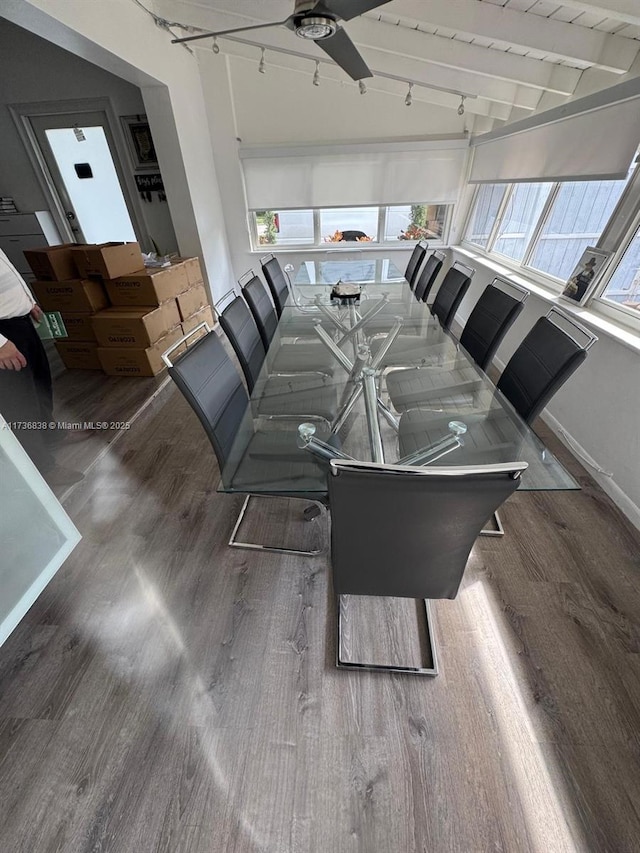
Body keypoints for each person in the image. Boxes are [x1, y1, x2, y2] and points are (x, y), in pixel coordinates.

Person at [0, 248, 84, 485]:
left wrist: (28, 302)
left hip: (19, 322)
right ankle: (41, 467)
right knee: (18, 404)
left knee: (40, 386)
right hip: (2, 335)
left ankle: (50, 434)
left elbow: (7, 271)